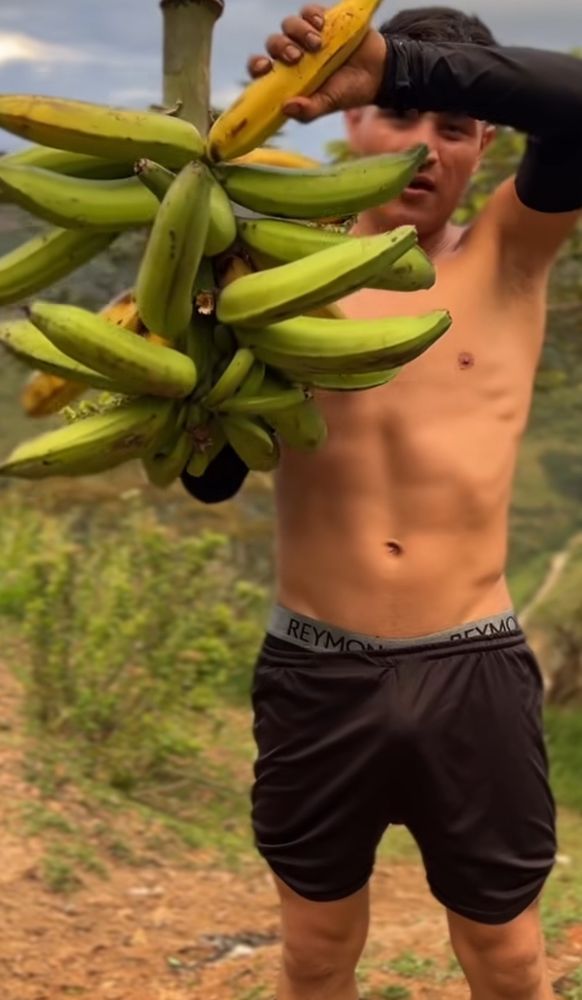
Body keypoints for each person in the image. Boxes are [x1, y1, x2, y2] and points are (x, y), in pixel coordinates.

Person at [183, 5, 582, 998]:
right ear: (350, 122)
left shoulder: (510, 252)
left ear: (485, 146)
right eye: (400, 115)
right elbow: (211, 473)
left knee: (509, 962)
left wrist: (393, 64)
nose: (425, 147)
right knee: (316, 957)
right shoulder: (271, 275)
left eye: (454, 126)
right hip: (317, 668)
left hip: (473, 663)